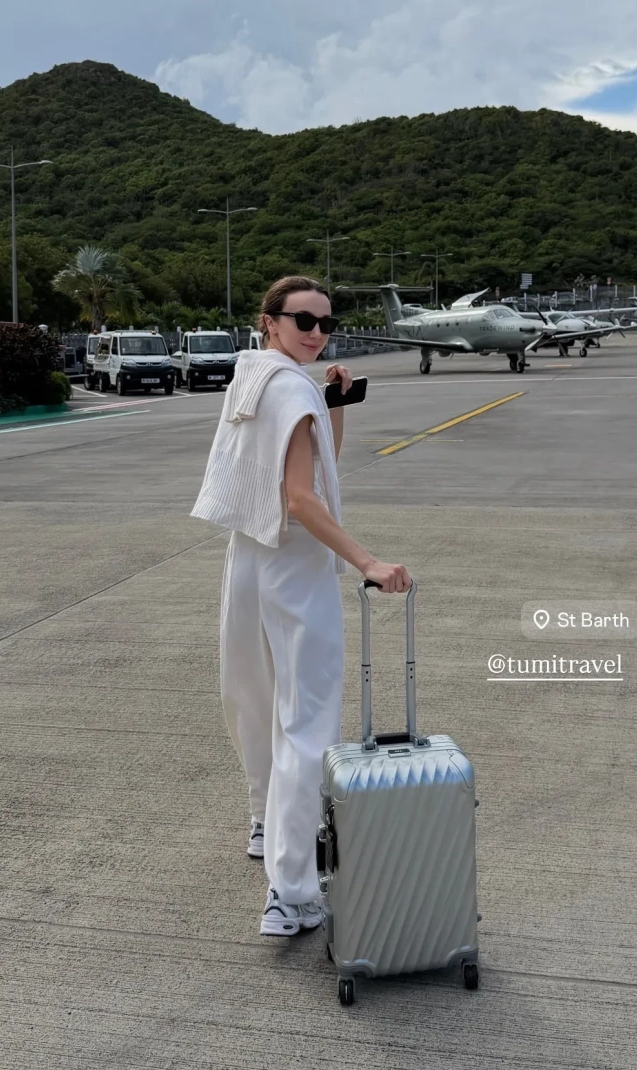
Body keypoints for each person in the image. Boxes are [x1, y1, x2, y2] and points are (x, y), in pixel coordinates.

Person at [191, 275, 412, 936]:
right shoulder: (291, 389)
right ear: (271, 321)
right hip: (294, 564)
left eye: (325, 323)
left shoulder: (252, 376)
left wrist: (332, 404)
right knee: (307, 722)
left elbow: (314, 467)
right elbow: (301, 498)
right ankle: (290, 894)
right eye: (303, 321)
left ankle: (265, 821)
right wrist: (367, 561)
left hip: (247, 555)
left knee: (251, 700)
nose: (317, 333)